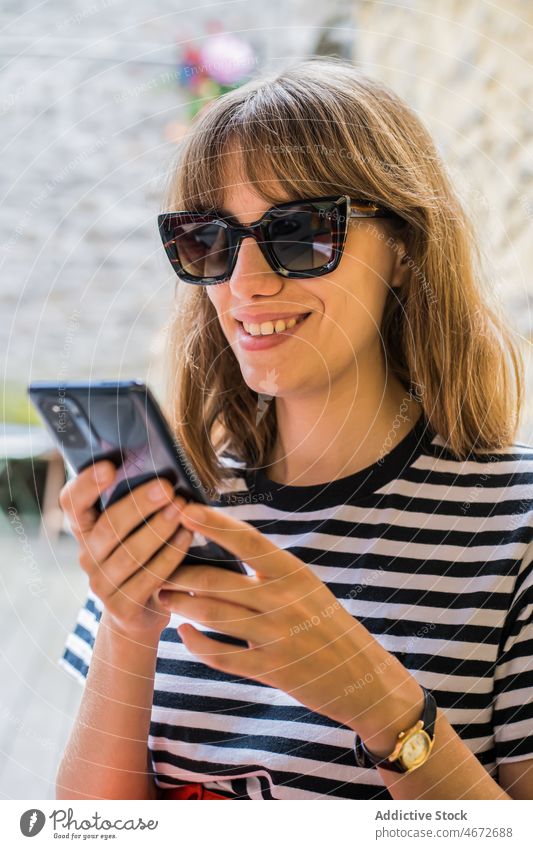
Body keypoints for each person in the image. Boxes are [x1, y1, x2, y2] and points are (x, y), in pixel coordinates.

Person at [56, 57, 533, 800]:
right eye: (207, 238)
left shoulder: (516, 528)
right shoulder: (170, 510)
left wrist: (379, 702)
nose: (244, 282)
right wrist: (126, 624)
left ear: (404, 248)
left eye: (300, 231)